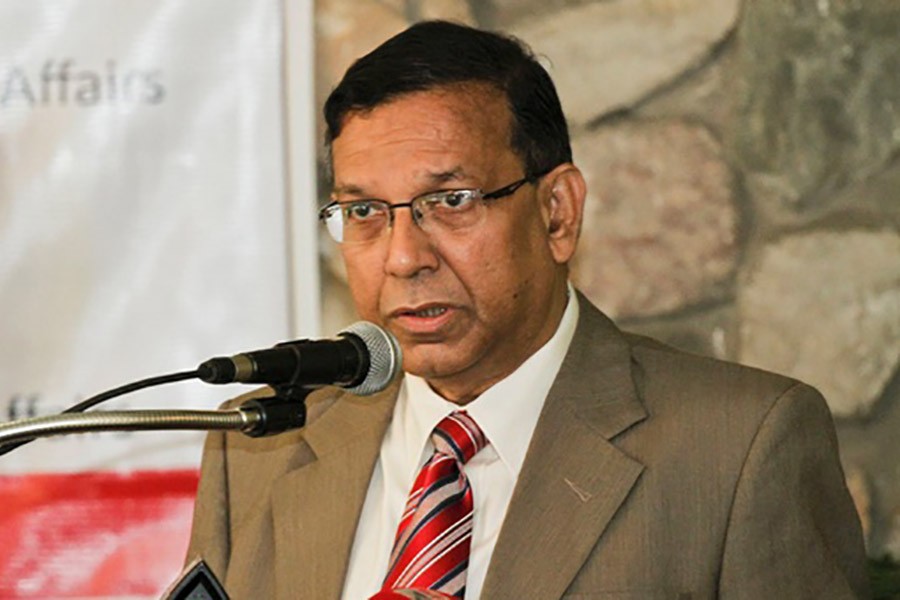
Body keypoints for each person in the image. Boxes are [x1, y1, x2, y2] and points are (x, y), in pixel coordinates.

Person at [186, 20, 869, 599]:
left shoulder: (739, 449)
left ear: (557, 213)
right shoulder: (259, 445)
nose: (403, 257)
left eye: (450, 201)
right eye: (364, 211)